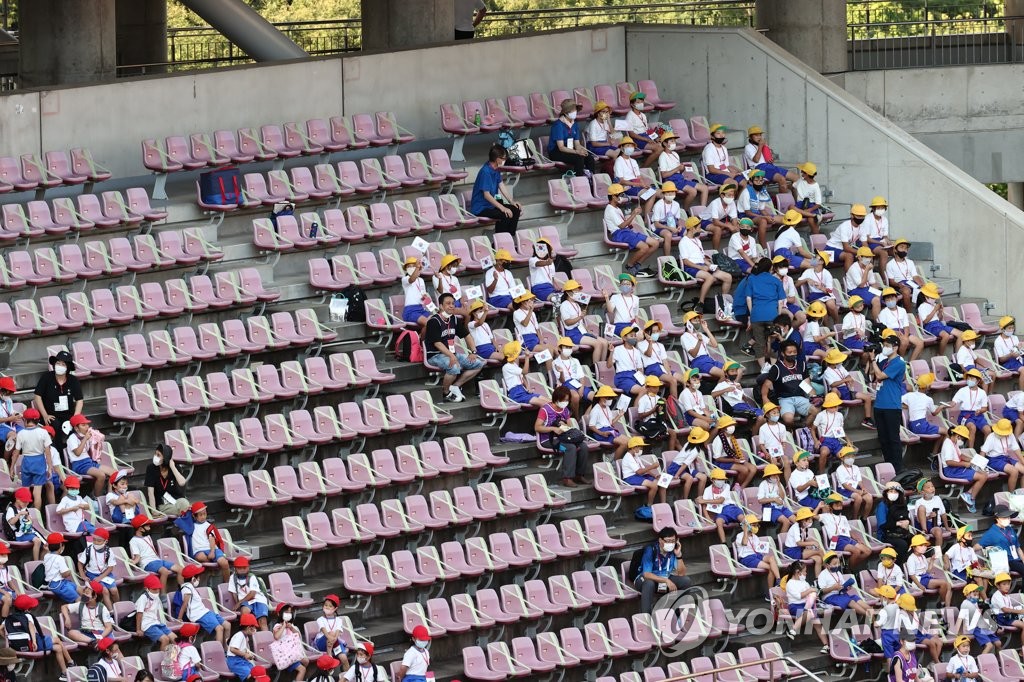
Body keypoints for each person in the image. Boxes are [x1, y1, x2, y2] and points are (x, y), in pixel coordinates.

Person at [424, 293, 485, 403]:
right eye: (448, 304)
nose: (451, 306)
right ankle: (445, 392)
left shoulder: (454, 319)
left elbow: (467, 335)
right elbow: (437, 343)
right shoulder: (434, 321)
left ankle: (455, 386)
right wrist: (451, 356)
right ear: (441, 306)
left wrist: (473, 351)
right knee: (454, 367)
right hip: (435, 355)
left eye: (453, 303)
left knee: (479, 363)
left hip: (452, 354)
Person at [534, 386, 590, 487]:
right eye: (564, 400)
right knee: (570, 448)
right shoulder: (545, 410)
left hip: (564, 438)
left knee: (583, 446)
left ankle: (579, 475)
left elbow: (569, 426)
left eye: (567, 400)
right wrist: (553, 429)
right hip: (549, 441)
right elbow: (537, 427)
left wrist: (563, 425)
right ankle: (567, 478)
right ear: (557, 399)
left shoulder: (565, 410)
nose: (566, 402)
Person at [33, 350, 83, 456]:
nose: (59, 365)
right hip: (51, 415)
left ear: (68, 367)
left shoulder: (73, 380)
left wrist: (75, 418)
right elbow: (37, 397)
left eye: (63, 364)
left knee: (79, 426)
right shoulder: (46, 377)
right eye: (58, 363)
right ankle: (60, 458)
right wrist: (45, 415)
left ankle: (76, 456)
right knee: (56, 426)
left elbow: (79, 400)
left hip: (68, 415)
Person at [604, 182, 659, 278]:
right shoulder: (610, 210)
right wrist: (633, 214)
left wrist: (634, 214)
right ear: (613, 197)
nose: (622, 197)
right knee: (644, 247)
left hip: (627, 231)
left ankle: (637, 265)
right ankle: (629, 266)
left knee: (655, 243)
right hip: (619, 234)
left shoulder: (616, 208)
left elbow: (626, 224)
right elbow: (621, 226)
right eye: (620, 195)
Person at [871, 332, 907, 472]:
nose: (885, 348)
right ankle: (888, 465)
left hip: (892, 406)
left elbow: (880, 375)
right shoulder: (885, 361)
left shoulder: (899, 362)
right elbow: (875, 376)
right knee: (883, 439)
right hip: (879, 404)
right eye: (884, 345)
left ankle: (898, 468)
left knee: (893, 439)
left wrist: (873, 360)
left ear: (895, 347)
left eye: (887, 345)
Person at [679, 216, 733, 310]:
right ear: (692, 228)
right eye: (699, 228)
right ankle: (701, 303)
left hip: (702, 266)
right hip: (691, 268)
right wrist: (701, 268)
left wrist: (710, 265)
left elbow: (702, 258)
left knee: (728, 277)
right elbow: (685, 261)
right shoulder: (683, 242)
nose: (700, 230)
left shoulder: (697, 240)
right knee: (710, 278)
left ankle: (723, 303)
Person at [635, 526, 692, 613]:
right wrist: (666, 581)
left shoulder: (673, 551)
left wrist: (679, 555)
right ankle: (646, 617)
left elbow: (681, 573)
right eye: (667, 541)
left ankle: (678, 613)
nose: (670, 544)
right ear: (660, 540)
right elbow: (646, 574)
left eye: (673, 541)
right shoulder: (651, 550)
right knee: (649, 584)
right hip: (645, 580)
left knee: (686, 581)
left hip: (664, 580)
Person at [762, 340, 816, 427]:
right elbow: (766, 384)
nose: (792, 354)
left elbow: (806, 383)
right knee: (788, 419)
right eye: (789, 352)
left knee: (816, 410)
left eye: (794, 352)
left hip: (800, 397)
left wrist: (814, 397)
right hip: (784, 399)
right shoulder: (777, 368)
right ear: (783, 354)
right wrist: (765, 398)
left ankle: (803, 427)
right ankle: (792, 429)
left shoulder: (801, 365)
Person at [470, 145, 521, 235]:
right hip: (481, 208)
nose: (505, 160)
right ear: (497, 159)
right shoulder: (485, 172)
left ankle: (509, 238)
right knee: (504, 214)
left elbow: (501, 185)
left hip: (491, 205)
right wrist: (503, 208)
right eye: (504, 158)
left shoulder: (496, 169)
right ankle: (499, 242)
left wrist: (511, 201)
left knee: (515, 210)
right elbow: (487, 195)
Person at [744, 257, 787, 366]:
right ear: (770, 268)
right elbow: (780, 301)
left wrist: (752, 313)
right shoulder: (776, 280)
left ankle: (763, 368)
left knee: (759, 343)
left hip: (756, 315)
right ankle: (773, 366)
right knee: (773, 341)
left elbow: (748, 298)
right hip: (772, 315)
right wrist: (778, 316)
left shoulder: (752, 279)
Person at [782, 562, 828, 652]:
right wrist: (810, 590)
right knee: (810, 613)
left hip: (807, 605)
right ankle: (793, 629)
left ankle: (826, 646)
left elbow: (808, 595)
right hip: (795, 606)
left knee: (818, 623)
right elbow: (799, 596)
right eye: (804, 571)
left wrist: (814, 595)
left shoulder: (804, 582)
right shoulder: (790, 583)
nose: (806, 573)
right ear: (797, 572)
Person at [64, 414, 113, 498]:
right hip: (79, 465)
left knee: (114, 473)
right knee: (101, 475)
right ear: (76, 428)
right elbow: (77, 453)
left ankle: (110, 496)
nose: (87, 427)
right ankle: (96, 497)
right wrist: (85, 439)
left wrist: (96, 439)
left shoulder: (86, 436)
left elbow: (93, 451)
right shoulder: (72, 438)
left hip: (89, 462)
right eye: (83, 425)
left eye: (87, 424)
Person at [822, 349, 875, 428]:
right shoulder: (827, 372)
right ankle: (834, 415)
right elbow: (833, 384)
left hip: (847, 390)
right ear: (834, 362)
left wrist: (849, 379)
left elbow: (848, 375)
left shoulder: (840, 367)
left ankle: (867, 419)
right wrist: (845, 380)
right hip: (838, 391)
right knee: (834, 390)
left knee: (867, 397)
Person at [129, 514, 183, 590]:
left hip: (157, 560)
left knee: (180, 569)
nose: (150, 528)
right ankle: (163, 596)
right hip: (147, 563)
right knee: (164, 571)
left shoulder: (148, 536)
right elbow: (137, 557)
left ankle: (182, 591)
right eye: (147, 526)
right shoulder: (133, 541)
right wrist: (133, 562)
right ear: (141, 528)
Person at [558, 279, 608, 361]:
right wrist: (580, 317)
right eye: (575, 290)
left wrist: (587, 330)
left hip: (582, 331)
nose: (578, 292)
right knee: (598, 344)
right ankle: (595, 367)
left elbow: (581, 323)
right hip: (572, 333)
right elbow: (568, 322)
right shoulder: (564, 305)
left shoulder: (577, 305)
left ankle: (602, 365)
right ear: (568, 292)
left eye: (578, 290)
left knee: (605, 343)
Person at [179, 563, 229, 644]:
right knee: (219, 628)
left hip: (205, 612)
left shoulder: (191, 587)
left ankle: (226, 649)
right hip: (199, 615)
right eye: (198, 577)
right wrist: (179, 618)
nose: (199, 579)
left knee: (227, 625)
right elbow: (185, 604)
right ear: (193, 579)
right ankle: (219, 652)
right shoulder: (186, 588)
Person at [12, 409, 51, 510]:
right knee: (37, 493)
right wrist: (50, 467)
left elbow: (16, 453)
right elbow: (48, 452)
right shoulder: (43, 432)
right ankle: (37, 517)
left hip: (27, 462)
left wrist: (11, 467)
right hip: (39, 462)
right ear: (38, 420)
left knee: (25, 491)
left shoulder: (21, 433)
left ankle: (23, 516)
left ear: (25, 420)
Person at [819, 494, 871, 566]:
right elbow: (813, 516)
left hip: (847, 538)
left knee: (868, 551)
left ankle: (850, 564)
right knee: (856, 551)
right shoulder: (825, 516)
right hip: (836, 540)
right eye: (837, 506)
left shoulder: (843, 517)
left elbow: (848, 530)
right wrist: (819, 507)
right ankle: (850, 570)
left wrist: (856, 538)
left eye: (840, 505)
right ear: (830, 506)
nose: (839, 507)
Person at [657, 131, 706, 209]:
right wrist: (677, 168)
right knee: (693, 191)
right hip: (671, 181)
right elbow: (664, 175)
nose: (674, 143)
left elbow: (679, 171)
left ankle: (702, 209)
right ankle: (685, 210)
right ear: (665, 144)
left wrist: (682, 169)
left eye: (674, 141)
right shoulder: (663, 156)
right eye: (672, 141)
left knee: (704, 188)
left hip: (680, 178)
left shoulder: (675, 154)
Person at [548, 99, 595, 178]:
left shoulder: (575, 124)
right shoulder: (558, 125)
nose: (575, 112)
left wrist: (581, 150)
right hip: (556, 151)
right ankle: (579, 182)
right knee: (579, 159)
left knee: (589, 158)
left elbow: (577, 143)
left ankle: (590, 180)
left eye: (575, 109)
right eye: (572, 110)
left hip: (570, 148)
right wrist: (577, 152)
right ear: (566, 113)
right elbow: (561, 147)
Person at [735, 513, 781, 595]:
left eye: (757, 525)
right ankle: (770, 593)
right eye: (753, 525)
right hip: (747, 558)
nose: (756, 527)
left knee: (771, 558)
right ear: (747, 525)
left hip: (756, 555)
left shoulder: (755, 537)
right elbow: (744, 543)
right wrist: (745, 531)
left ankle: (778, 580)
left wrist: (763, 548)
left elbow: (758, 549)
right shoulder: (740, 536)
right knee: (770, 568)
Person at [818, 551, 872, 617]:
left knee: (856, 598)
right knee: (850, 601)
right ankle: (868, 616)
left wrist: (846, 588)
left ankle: (873, 614)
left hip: (841, 594)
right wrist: (833, 588)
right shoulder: (823, 575)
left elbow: (842, 586)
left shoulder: (838, 573)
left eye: (838, 563)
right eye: (834, 564)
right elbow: (821, 591)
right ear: (827, 565)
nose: (837, 565)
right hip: (830, 597)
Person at [743, 125, 796, 191]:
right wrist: (760, 146)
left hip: (770, 166)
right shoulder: (748, 147)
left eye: (760, 135)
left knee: (796, 178)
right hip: (759, 168)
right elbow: (756, 160)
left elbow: (768, 158)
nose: (759, 137)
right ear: (750, 137)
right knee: (782, 179)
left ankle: (798, 200)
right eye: (756, 135)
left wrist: (770, 157)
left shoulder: (763, 146)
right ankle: (784, 201)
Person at [613, 137, 657, 216]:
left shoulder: (633, 161)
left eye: (631, 146)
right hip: (627, 187)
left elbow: (639, 177)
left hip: (637, 185)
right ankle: (647, 221)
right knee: (652, 194)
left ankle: (652, 217)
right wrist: (638, 185)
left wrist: (644, 185)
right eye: (628, 146)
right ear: (622, 148)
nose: (630, 148)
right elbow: (621, 181)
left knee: (660, 192)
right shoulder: (619, 161)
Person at [878, 287, 925, 361]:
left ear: (896, 298)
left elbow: (906, 326)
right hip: (891, 333)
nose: (890, 301)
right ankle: (900, 361)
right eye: (887, 299)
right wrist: (894, 332)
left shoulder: (902, 310)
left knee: (920, 343)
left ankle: (910, 362)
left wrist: (905, 335)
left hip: (902, 332)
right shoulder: (883, 312)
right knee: (905, 341)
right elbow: (883, 328)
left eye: (892, 298)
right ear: (884, 302)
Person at [905, 533, 952, 607]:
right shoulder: (911, 558)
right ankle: (943, 604)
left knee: (948, 585)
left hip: (926, 577)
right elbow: (911, 575)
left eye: (924, 545)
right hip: (920, 580)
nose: (924, 547)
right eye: (921, 545)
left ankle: (946, 606)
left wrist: (932, 561)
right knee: (943, 583)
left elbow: (928, 571)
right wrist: (919, 585)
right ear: (914, 547)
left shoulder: (923, 556)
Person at [976, 505, 1024, 576]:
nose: (1007, 519)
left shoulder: (1010, 529)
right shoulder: (991, 533)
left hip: (1017, 559)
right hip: (1007, 561)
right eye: (1004, 517)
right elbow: (977, 546)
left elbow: (1018, 548)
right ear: (997, 518)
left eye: (1008, 517)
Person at [699, 468, 744, 544]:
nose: (721, 481)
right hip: (719, 512)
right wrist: (708, 519)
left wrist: (704, 500)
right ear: (712, 480)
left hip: (730, 508)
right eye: (719, 479)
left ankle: (748, 537)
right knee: (719, 522)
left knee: (743, 519)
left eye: (723, 479)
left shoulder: (726, 486)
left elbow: (721, 500)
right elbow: (704, 506)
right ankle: (724, 543)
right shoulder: (707, 490)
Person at [711, 415, 756, 489]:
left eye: (732, 425)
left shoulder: (731, 436)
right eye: (729, 425)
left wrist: (738, 457)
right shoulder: (718, 440)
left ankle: (742, 487)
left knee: (753, 468)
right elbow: (717, 458)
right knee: (744, 470)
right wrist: (734, 460)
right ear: (723, 428)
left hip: (732, 458)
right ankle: (735, 487)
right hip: (722, 462)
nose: (732, 427)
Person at [63, 580, 113, 645]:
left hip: (100, 633)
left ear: (94, 597)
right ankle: (92, 642)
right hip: (86, 633)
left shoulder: (102, 608)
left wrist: (100, 637)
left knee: (110, 641)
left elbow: (109, 627)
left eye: (87, 593)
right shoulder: (80, 604)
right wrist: (67, 618)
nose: (83, 595)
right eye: (84, 592)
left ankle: (97, 643)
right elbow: (64, 607)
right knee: (71, 633)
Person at [980, 418, 1024, 493]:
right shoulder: (991, 437)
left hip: (1005, 457)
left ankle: (1023, 493)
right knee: (1014, 471)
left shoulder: (1010, 435)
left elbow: (1016, 449)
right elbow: (983, 452)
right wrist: (980, 466)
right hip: (993, 460)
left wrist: (1023, 461)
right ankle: (1011, 495)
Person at [145, 444, 189, 517]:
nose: (155, 457)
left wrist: (172, 467)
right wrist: (154, 511)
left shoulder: (174, 467)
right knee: (183, 510)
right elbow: (150, 492)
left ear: (165, 458)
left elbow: (182, 483)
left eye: (158, 455)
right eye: (155, 454)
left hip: (175, 500)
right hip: (162, 503)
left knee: (185, 503)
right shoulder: (151, 468)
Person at [501, 340, 548, 408]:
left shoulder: (514, 364)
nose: (519, 354)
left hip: (523, 390)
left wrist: (527, 387)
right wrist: (527, 357)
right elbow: (525, 372)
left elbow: (521, 376)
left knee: (550, 402)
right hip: (516, 394)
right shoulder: (507, 367)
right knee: (545, 404)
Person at [917, 282, 960, 356]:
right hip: (930, 326)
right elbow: (926, 321)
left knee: (960, 334)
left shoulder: (933, 305)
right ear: (926, 296)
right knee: (945, 336)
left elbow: (939, 319)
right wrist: (934, 310)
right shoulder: (922, 306)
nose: (934, 299)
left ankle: (958, 354)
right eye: (932, 297)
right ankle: (940, 355)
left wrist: (940, 311)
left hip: (938, 324)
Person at [585, 385, 629, 458]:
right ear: (601, 397)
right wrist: (602, 433)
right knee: (624, 443)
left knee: (630, 442)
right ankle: (614, 463)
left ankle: (612, 456)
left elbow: (610, 423)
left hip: (610, 430)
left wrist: (620, 415)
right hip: (600, 432)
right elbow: (591, 426)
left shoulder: (607, 408)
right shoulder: (596, 410)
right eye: (608, 397)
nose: (610, 399)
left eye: (611, 398)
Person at [552, 337, 593, 413]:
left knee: (596, 397)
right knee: (575, 396)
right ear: (560, 349)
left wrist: (581, 388)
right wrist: (561, 372)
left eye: (570, 347)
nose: (569, 349)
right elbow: (562, 380)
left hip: (577, 383)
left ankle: (585, 416)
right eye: (566, 347)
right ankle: (576, 417)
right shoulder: (555, 362)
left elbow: (581, 376)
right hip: (565, 384)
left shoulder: (575, 360)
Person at [621, 436, 665, 507]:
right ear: (634, 447)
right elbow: (639, 472)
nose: (642, 449)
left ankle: (664, 504)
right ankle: (649, 506)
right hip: (630, 478)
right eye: (640, 447)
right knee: (654, 486)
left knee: (662, 481)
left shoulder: (636, 456)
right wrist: (652, 466)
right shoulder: (628, 457)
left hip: (639, 476)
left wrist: (655, 475)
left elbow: (643, 469)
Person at [667, 427, 710, 499]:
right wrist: (677, 475)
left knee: (703, 477)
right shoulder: (695, 451)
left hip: (687, 468)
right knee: (689, 478)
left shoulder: (689, 443)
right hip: (676, 467)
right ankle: (685, 498)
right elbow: (684, 464)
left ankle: (699, 498)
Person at [952, 368, 990, 446]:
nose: (969, 380)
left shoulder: (982, 393)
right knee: (972, 427)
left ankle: (985, 450)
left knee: (988, 430)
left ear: (978, 381)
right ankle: (970, 450)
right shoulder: (962, 390)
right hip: (965, 415)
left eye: (972, 378)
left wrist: (980, 411)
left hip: (978, 415)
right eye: (968, 378)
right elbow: (953, 402)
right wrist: (945, 405)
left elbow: (984, 408)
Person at [228, 556, 269, 629]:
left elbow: (252, 594)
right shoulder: (232, 578)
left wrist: (239, 603)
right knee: (245, 613)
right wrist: (239, 604)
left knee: (262, 621)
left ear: (248, 568)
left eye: (244, 568)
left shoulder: (251, 577)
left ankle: (266, 638)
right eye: (239, 568)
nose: (242, 570)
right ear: (235, 569)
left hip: (258, 599)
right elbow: (233, 593)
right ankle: (247, 636)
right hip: (245, 602)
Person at [135, 574, 175, 649]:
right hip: (147, 625)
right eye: (154, 589)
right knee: (165, 639)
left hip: (156, 623)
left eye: (158, 589)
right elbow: (139, 614)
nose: (157, 591)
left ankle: (176, 658)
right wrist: (138, 629)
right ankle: (164, 660)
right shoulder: (143, 598)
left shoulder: (156, 598)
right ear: (146, 589)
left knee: (174, 638)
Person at [885, 238, 926, 310]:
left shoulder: (910, 262)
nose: (904, 250)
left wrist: (922, 285)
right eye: (901, 247)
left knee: (928, 289)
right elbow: (891, 281)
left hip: (911, 283)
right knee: (906, 291)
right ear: (895, 250)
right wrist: (899, 285)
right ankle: (909, 314)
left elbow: (915, 276)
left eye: (906, 248)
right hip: (899, 285)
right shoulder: (890, 264)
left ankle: (924, 312)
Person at [797, 251, 839, 322]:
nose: (812, 259)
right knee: (821, 307)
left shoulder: (827, 273)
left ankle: (836, 323)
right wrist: (807, 279)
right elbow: (796, 284)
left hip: (826, 294)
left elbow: (829, 291)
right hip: (814, 295)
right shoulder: (808, 271)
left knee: (831, 304)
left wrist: (821, 288)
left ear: (821, 262)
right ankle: (827, 328)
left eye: (815, 258)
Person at [273, 603, 311, 680]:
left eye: (290, 612)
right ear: (279, 613)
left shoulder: (292, 625)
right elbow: (276, 636)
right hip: (285, 655)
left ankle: (297, 678)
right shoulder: (277, 626)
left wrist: (291, 628)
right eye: (286, 612)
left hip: (293, 653)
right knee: (302, 669)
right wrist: (283, 626)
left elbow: (298, 636)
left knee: (306, 661)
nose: (288, 614)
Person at [960, 584, 1000, 655]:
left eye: (977, 593)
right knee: (989, 645)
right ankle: (981, 662)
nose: (977, 594)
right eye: (974, 593)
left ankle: (999, 661)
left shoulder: (975, 603)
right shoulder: (965, 604)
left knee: (998, 643)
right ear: (967, 595)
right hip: (974, 627)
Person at [609, 325, 647, 398]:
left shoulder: (636, 351)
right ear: (624, 338)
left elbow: (640, 369)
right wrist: (611, 352)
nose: (634, 338)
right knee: (643, 390)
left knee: (651, 387)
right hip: (623, 377)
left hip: (635, 375)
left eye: (635, 335)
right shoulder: (618, 349)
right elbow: (609, 365)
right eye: (631, 336)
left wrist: (643, 380)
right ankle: (636, 409)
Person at [835, 448, 872, 520]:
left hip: (856, 488)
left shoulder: (856, 467)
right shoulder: (839, 469)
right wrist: (857, 491)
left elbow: (859, 481)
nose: (851, 459)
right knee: (858, 498)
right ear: (842, 458)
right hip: (844, 490)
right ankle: (855, 518)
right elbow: (844, 485)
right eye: (848, 457)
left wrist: (863, 488)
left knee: (869, 498)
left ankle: (864, 519)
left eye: (852, 457)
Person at [703, 181, 740, 251]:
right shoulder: (715, 203)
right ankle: (715, 252)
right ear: (722, 195)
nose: (731, 197)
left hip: (720, 220)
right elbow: (715, 222)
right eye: (729, 195)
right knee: (718, 229)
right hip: (705, 220)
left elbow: (734, 218)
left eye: (733, 195)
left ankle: (736, 250)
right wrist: (728, 226)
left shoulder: (732, 203)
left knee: (737, 226)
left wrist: (734, 227)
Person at [783, 507, 823, 572]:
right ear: (803, 520)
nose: (811, 521)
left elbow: (805, 540)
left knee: (818, 559)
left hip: (800, 549)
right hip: (792, 552)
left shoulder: (804, 527)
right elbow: (799, 543)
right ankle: (827, 567)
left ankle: (817, 579)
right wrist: (812, 543)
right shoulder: (795, 527)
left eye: (811, 519)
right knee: (819, 551)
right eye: (809, 519)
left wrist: (813, 543)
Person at [756, 464, 793, 532]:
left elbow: (782, 497)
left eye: (777, 474)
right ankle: (782, 540)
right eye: (774, 475)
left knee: (795, 520)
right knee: (786, 522)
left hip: (781, 507)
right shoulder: (763, 484)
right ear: (768, 476)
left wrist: (779, 485)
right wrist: (774, 499)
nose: (776, 477)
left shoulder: (778, 483)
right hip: (769, 508)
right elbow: (760, 500)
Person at [650, 181, 683, 256]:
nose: (671, 194)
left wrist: (680, 226)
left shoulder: (676, 204)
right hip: (660, 226)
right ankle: (667, 259)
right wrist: (670, 228)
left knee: (686, 233)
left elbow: (678, 219)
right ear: (664, 194)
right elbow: (656, 224)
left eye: (673, 192)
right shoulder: (658, 205)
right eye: (668, 192)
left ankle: (685, 257)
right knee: (668, 235)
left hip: (672, 224)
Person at [860, 196, 892, 272]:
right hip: (869, 242)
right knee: (883, 253)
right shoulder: (868, 218)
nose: (881, 210)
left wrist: (888, 241)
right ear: (873, 208)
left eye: (882, 208)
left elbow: (885, 235)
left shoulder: (885, 219)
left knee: (895, 250)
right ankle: (883, 278)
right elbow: (866, 238)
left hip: (879, 241)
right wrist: (880, 242)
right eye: (878, 208)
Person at [792, 162, 824, 234]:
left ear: (806, 174)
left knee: (810, 220)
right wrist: (795, 199)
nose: (801, 173)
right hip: (800, 205)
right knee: (790, 207)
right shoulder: (800, 181)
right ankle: (814, 215)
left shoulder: (815, 186)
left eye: (802, 172)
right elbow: (793, 187)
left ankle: (816, 237)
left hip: (811, 206)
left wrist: (809, 210)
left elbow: (818, 203)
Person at [994, 315, 1024, 392]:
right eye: (1009, 328)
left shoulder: (1015, 337)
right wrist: (1011, 355)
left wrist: (1021, 348)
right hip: (1007, 363)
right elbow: (1001, 359)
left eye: (1013, 328)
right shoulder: (998, 341)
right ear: (1003, 329)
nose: (1011, 330)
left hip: (1018, 359)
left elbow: (1018, 350)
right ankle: (1022, 394)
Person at [227, 613, 259, 680]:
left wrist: (248, 655)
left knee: (254, 671)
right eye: (254, 627)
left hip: (241, 659)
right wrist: (245, 654)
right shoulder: (239, 635)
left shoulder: (245, 636)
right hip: (234, 661)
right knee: (248, 674)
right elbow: (232, 649)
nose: (255, 629)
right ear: (248, 627)